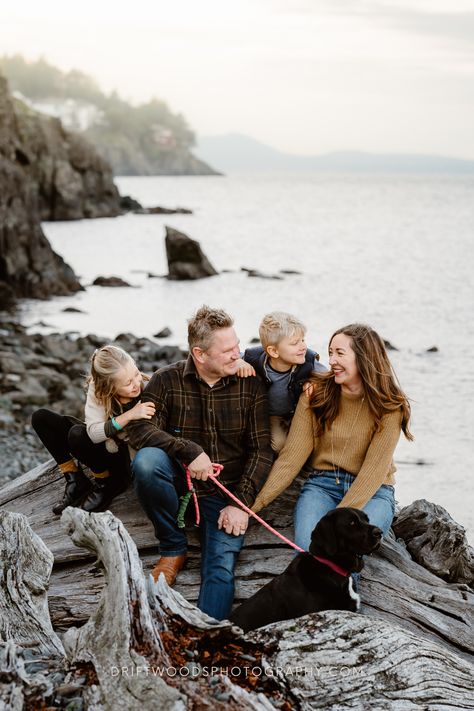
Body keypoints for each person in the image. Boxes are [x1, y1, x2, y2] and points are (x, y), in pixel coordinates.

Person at [127, 305, 273, 621]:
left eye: (237, 346)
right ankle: (173, 547)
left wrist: (242, 504)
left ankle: (205, 646)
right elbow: (139, 429)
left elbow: (262, 451)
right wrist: (187, 450)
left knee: (220, 568)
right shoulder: (167, 380)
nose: (239, 354)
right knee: (147, 462)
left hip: (225, 495)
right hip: (179, 486)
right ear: (200, 354)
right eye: (228, 350)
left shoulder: (250, 384)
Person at [252, 323, 413, 553]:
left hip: (374, 492)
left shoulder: (389, 406)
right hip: (322, 486)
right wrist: (253, 505)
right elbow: (290, 459)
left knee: (348, 549)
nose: (332, 361)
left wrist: (338, 521)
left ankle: (348, 590)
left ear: (364, 358)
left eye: (340, 353)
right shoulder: (316, 394)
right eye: (330, 353)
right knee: (310, 552)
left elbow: (373, 473)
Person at [31, 345, 155, 515]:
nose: (136, 384)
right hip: (106, 443)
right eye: (127, 383)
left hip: (126, 458)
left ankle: (108, 483)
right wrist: (129, 415)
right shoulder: (98, 389)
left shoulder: (148, 387)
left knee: (76, 435)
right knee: (41, 418)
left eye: (136, 373)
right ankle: (74, 479)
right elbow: (94, 434)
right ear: (108, 386)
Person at [239, 311, 326, 453]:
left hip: (296, 413)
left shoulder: (308, 360)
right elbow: (229, 357)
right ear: (273, 351)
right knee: (279, 445)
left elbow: (330, 378)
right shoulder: (252, 358)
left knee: (312, 442)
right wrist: (238, 363)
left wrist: (315, 381)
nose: (303, 346)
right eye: (294, 343)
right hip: (269, 414)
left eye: (303, 340)